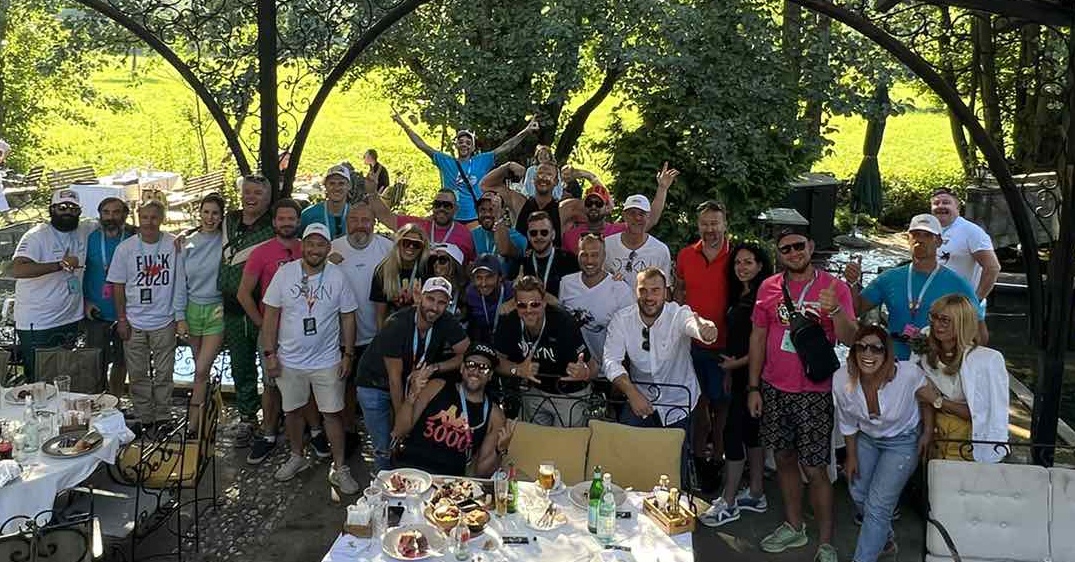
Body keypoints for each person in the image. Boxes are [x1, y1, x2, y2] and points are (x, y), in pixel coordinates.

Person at [746, 228, 857, 562]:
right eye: (786, 249)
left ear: (810, 246)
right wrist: (753, 387)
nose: (793, 253)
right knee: (783, 458)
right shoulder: (769, 287)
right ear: (778, 253)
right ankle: (794, 526)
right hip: (774, 388)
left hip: (814, 390)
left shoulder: (834, 287)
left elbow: (851, 339)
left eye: (798, 246)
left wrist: (835, 311)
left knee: (815, 466)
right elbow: (758, 337)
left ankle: (825, 541)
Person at [261, 223, 359, 492]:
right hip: (290, 360)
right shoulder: (285, 273)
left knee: (333, 414)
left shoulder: (337, 276)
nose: (315, 250)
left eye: (321, 245)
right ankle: (297, 456)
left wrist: (348, 354)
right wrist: (270, 353)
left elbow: (348, 317)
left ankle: (340, 468)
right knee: (292, 411)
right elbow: (271, 315)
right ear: (302, 246)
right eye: (311, 244)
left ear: (328, 248)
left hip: (327, 360)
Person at [603, 267, 719, 486]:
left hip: (678, 402)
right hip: (640, 398)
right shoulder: (622, 319)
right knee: (630, 457)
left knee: (674, 463)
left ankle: (677, 499)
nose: (649, 297)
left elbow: (695, 325)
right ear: (636, 292)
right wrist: (632, 393)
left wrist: (706, 329)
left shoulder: (678, 313)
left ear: (666, 292)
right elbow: (611, 361)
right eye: (643, 290)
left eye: (655, 290)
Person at [239, 198, 328, 465]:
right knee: (271, 385)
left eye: (291, 218)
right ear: (274, 222)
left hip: (306, 333)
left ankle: (315, 432)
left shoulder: (310, 247)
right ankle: (268, 434)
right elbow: (244, 293)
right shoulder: (262, 253)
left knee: (306, 383)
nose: (287, 223)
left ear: (298, 221)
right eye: (282, 219)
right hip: (273, 333)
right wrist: (262, 324)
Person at [834, 326, 933, 562]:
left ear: (887, 353)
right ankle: (885, 541)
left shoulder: (907, 374)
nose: (868, 354)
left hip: (902, 441)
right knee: (858, 492)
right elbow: (847, 421)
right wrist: (851, 456)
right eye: (861, 347)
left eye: (876, 348)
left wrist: (927, 432)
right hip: (867, 438)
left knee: (878, 505)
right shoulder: (841, 378)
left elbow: (927, 399)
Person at [356, 277, 469, 471]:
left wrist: (435, 367)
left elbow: (468, 354)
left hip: (408, 383)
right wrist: (401, 421)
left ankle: (401, 473)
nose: (434, 307)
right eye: (430, 299)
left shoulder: (446, 321)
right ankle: (383, 478)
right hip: (374, 384)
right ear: (420, 297)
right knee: (385, 444)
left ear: (448, 305)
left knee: (403, 439)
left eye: (441, 302)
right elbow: (394, 379)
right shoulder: (397, 324)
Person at [698, 243, 772, 527]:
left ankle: (728, 502)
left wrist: (735, 365)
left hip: (756, 376)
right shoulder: (739, 293)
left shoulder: (763, 295)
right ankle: (756, 492)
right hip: (739, 373)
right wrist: (731, 370)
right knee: (752, 433)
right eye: (738, 262)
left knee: (732, 433)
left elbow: (764, 343)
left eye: (748, 262)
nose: (742, 267)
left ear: (760, 265)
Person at [846, 214, 987, 360]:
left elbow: (980, 336)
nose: (920, 239)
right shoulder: (889, 278)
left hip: (935, 364)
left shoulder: (958, 284)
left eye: (927, 235)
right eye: (915, 234)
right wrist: (852, 283)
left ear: (939, 241)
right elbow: (856, 310)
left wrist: (951, 358)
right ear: (908, 238)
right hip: (894, 363)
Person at [675, 200, 733, 488]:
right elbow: (679, 291)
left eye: (715, 223)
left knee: (722, 409)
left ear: (725, 225)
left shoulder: (736, 258)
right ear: (697, 225)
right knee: (698, 408)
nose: (710, 229)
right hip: (692, 346)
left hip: (725, 348)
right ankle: (698, 460)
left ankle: (718, 460)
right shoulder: (686, 255)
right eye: (705, 223)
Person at [393, 342, 516, 477]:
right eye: (471, 365)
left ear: (490, 375)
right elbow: (399, 431)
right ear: (462, 368)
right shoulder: (435, 387)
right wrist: (412, 396)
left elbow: (481, 472)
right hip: (410, 470)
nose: (476, 371)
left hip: (449, 482)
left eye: (484, 368)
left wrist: (500, 450)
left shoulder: (494, 415)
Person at [108, 200, 179, 431]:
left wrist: (179, 317)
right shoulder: (125, 249)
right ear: (138, 218)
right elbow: (118, 286)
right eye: (145, 217)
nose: (149, 222)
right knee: (138, 373)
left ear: (162, 219)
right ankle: (144, 416)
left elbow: (182, 280)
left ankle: (163, 415)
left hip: (164, 320)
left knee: (164, 373)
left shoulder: (173, 244)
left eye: (154, 217)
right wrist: (121, 319)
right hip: (134, 321)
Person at [392, 111, 538, 223]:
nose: (464, 145)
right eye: (461, 142)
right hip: (450, 217)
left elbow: (506, 147)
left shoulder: (482, 160)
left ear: (473, 147)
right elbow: (422, 145)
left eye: (468, 143)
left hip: (475, 216)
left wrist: (526, 131)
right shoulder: (446, 161)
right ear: (456, 145)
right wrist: (403, 124)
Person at [13, 189, 97, 381]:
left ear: (80, 211)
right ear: (51, 209)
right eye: (62, 207)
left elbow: (112, 221)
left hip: (70, 318)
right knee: (39, 379)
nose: (68, 211)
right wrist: (59, 265)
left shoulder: (85, 229)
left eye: (73, 208)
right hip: (39, 322)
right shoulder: (36, 236)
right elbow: (18, 269)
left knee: (64, 377)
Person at [328, 202, 394, 443]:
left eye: (365, 220)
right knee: (343, 385)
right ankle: (349, 432)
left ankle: (385, 436)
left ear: (374, 223)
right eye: (354, 220)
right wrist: (327, 264)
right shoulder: (332, 248)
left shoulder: (388, 248)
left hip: (376, 333)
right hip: (340, 336)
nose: (360, 226)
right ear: (347, 222)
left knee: (380, 387)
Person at [914, 294, 1009, 462]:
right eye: (934, 317)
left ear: (962, 323)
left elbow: (983, 414)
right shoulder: (926, 353)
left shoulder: (986, 361)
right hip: (938, 429)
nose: (937, 324)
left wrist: (938, 401)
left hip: (969, 438)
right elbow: (923, 396)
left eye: (945, 320)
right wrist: (928, 432)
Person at [493, 275, 595, 428]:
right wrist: (517, 370)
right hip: (534, 390)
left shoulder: (564, 322)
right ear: (515, 305)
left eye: (534, 304)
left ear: (544, 304)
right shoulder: (509, 322)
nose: (528, 310)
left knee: (566, 441)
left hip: (569, 393)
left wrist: (585, 374)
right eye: (522, 305)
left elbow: (593, 367)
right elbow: (496, 361)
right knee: (531, 438)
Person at [219, 175, 276, 446]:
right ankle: (247, 417)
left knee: (271, 367)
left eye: (257, 193)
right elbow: (203, 229)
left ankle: (274, 419)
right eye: (247, 192)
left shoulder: (273, 226)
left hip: (262, 308)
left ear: (268, 197)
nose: (250, 197)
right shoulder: (230, 220)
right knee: (240, 365)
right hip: (231, 307)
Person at [173, 194, 226, 429]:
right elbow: (179, 282)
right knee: (200, 371)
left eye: (215, 213)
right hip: (192, 310)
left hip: (217, 309)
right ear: (200, 213)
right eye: (206, 212)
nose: (210, 218)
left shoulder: (226, 241)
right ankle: (209, 413)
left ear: (221, 216)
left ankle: (193, 425)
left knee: (202, 369)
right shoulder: (187, 243)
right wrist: (180, 317)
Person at [558, 234, 633, 379]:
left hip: (608, 374)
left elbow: (630, 336)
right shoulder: (566, 283)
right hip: (574, 371)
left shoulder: (620, 289)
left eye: (594, 255)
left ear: (604, 256)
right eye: (584, 255)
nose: (589, 260)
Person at [561, 163, 674, 254]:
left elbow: (651, 219)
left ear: (607, 208)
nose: (593, 206)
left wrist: (662, 188)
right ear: (584, 207)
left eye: (599, 203)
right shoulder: (569, 236)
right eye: (589, 203)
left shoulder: (618, 231)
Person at [84, 197, 133, 394]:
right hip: (96, 311)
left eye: (116, 212)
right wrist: (85, 302)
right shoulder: (89, 239)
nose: (110, 217)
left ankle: (115, 400)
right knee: (97, 363)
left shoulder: (133, 239)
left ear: (125, 215)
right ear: (100, 215)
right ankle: (98, 401)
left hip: (127, 311)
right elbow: (77, 273)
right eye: (106, 212)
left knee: (122, 361)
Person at [365, 181, 475, 263]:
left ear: (456, 209)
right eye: (437, 204)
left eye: (447, 205)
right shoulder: (417, 226)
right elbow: (386, 217)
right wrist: (371, 192)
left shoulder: (465, 234)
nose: (441, 208)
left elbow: (468, 265)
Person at [930, 188, 1000, 302]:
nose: (940, 206)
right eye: (936, 203)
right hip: (934, 301)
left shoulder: (971, 231)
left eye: (946, 202)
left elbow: (992, 268)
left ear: (957, 208)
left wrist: (976, 300)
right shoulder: (930, 231)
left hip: (960, 305)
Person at [482, 161, 564, 245]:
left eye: (549, 174)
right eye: (540, 173)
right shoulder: (520, 203)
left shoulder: (562, 209)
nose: (543, 177)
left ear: (556, 182)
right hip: (521, 253)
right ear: (533, 179)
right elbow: (486, 185)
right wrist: (508, 166)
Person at [604, 195, 672, 291]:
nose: (637, 218)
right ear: (624, 216)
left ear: (648, 216)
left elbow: (665, 289)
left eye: (642, 214)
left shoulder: (660, 250)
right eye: (632, 213)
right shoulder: (607, 245)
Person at [370, 223, 430, 327]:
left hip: (420, 326)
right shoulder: (383, 271)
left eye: (417, 244)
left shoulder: (426, 269)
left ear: (422, 249)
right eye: (406, 242)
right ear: (398, 243)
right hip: (393, 327)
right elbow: (380, 316)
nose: (411, 247)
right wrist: (382, 335)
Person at [517, 212, 579, 298]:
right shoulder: (522, 263)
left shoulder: (570, 261)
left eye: (544, 232)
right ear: (528, 235)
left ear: (553, 234)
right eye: (533, 233)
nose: (539, 237)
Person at [463, 254, 514, 344]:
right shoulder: (471, 293)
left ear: (500, 277)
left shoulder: (511, 291)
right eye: (479, 277)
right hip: (483, 342)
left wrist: (514, 301)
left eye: (489, 277)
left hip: (509, 342)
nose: (483, 284)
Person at [471, 191, 526, 270]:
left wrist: (498, 217)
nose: (487, 214)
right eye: (482, 210)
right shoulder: (472, 235)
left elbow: (504, 251)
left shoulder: (516, 236)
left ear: (503, 211)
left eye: (492, 209)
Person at [300, 165, 351, 239]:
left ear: (349, 186)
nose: (336, 188)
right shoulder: (308, 214)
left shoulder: (357, 215)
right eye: (332, 183)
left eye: (341, 183)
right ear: (325, 186)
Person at [426, 243, 466, 318]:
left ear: (454, 264)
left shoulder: (465, 292)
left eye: (442, 260)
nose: (436, 264)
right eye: (433, 259)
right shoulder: (426, 287)